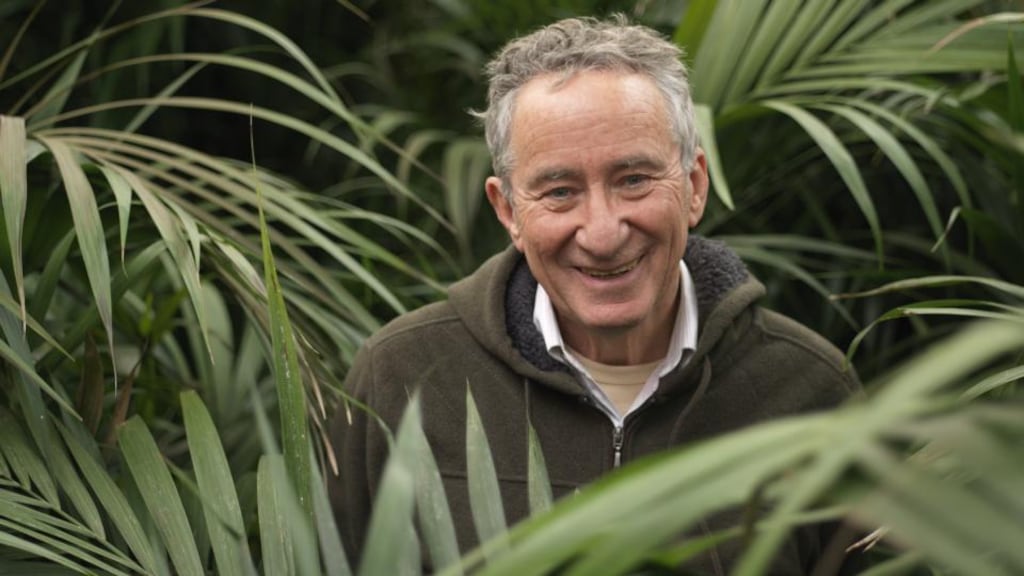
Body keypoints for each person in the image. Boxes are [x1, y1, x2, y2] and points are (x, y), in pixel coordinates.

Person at [328, 15, 862, 574]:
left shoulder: (809, 390)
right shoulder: (405, 380)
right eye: (559, 192)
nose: (603, 234)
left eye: (633, 180)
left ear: (694, 186)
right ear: (508, 210)